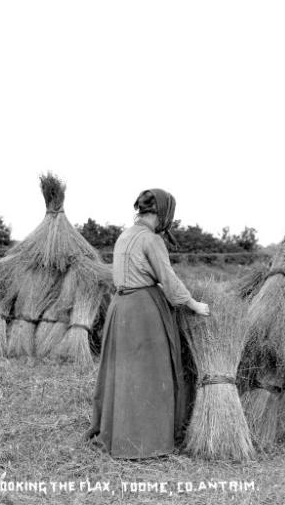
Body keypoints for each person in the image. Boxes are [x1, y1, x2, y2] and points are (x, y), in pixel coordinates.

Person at [86, 188, 210, 459]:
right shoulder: (151, 240)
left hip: (120, 309)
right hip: (143, 311)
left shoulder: (125, 235)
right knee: (150, 375)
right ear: (163, 213)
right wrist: (193, 304)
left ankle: (118, 433)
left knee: (125, 374)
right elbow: (167, 277)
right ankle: (145, 440)